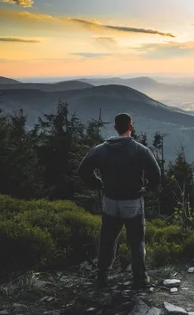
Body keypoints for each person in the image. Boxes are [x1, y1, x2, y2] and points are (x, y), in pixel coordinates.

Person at [78, 113, 161, 289]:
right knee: (136, 241)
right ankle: (140, 277)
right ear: (131, 127)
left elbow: (83, 169)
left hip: (109, 201)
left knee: (107, 239)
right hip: (132, 202)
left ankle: (102, 276)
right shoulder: (140, 150)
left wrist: (97, 183)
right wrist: (148, 188)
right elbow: (156, 173)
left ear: (115, 128)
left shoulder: (100, 149)